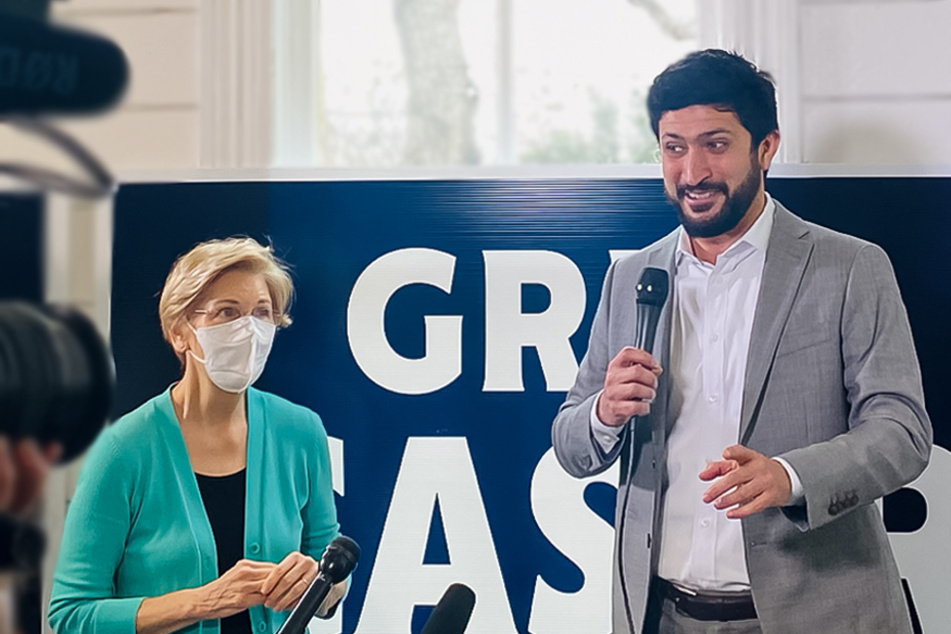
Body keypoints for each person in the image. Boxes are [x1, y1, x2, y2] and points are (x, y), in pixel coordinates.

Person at [551, 49, 932, 634]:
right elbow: (572, 442)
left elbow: (902, 430)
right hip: (663, 615)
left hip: (818, 615)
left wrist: (792, 476)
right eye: (674, 147)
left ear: (766, 147)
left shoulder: (849, 266)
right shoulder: (632, 278)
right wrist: (603, 412)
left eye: (716, 144)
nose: (693, 171)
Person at [48, 237, 344, 634]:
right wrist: (204, 601)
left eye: (262, 313)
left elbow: (332, 581)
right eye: (227, 313)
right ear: (179, 332)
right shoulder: (124, 451)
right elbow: (71, 614)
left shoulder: (301, 432)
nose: (250, 330)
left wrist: (317, 582)